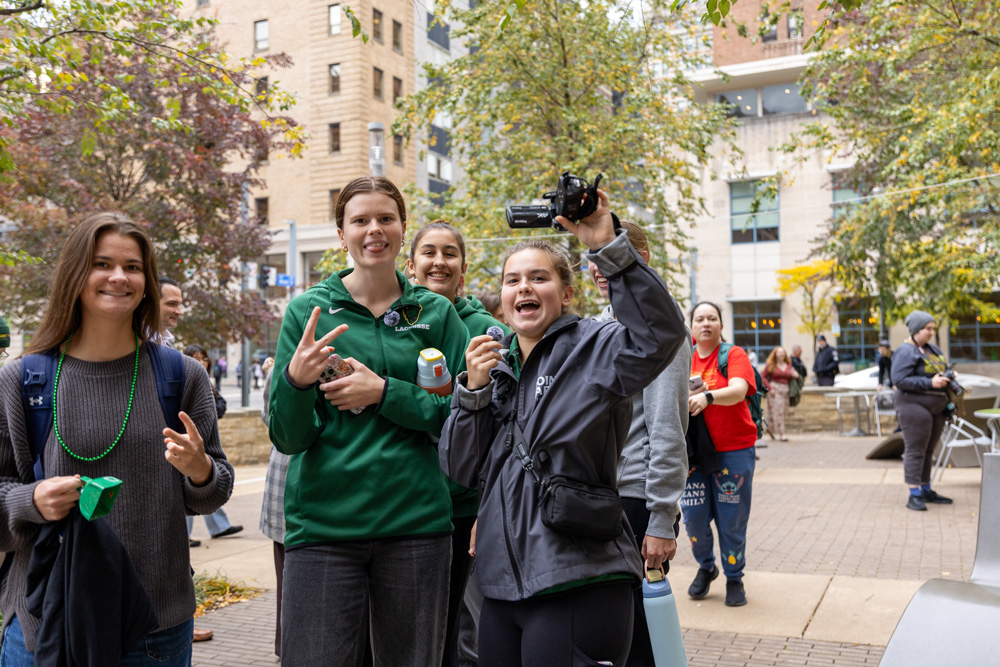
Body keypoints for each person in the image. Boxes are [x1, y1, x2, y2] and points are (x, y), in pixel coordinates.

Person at [439, 190, 686, 667]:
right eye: (513, 280)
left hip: (579, 578)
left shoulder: (595, 345)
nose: (523, 288)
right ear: (504, 299)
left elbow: (661, 335)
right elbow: (460, 469)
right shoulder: (496, 365)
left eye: (539, 278)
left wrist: (607, 245)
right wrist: (470, 392)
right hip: (500, 585)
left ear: (567, 293)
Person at [0, 212, 234, 665]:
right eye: (101, 263)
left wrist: (201, 471)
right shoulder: (22, 380)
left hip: (154, 626)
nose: (118, 277)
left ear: (146, 281)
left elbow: (213, 492)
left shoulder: (180, 375)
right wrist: (32, 500)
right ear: (75, 274)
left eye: (132, 266)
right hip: (46, 617)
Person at [268, 176, 470, 667]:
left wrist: (384, 392)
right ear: (342, 234)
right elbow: (289, 436)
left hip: (417, 526)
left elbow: (464, 421)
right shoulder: (307, 311)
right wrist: (296, 382)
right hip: (324, 531)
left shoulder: (437, 313)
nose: (373, 229)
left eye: (386, 218)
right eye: (360, 220)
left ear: (403, 229)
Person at [406, 220, 508, 667]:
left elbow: (503, 420)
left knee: (457, 630)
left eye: (450, 253)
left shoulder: (484, 329)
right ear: (411, 266)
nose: (439, 262)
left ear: (463, 269)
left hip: (462, 506)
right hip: (402, 503)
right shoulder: (395, 320)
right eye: (429, 252)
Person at [589, 219, 690, 667]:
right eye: (593, 259)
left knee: (640, 638)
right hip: (597, 497)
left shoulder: (659, 333)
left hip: (636, 501)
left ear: (640, 261)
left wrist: (661, 518)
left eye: (608, 257)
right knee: (608, 629)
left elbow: (668, 428)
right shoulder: (598, 327)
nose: (598, 268)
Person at [155, 282, 242, 552]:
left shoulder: (183, 369)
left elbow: (215, 480)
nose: (179, 311)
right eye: (172, 304)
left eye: (180, 304)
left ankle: (212, 528)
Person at [682, 301, 758, 607]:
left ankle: (734, 577)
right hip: (693, 454)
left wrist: (708, 396)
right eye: (699, 318)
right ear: (691, 326)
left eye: (712, 318)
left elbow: (739, 389)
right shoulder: (680, 356)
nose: (705, 323)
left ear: (721, 325)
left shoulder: (732, 355)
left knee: (731, 520)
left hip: (733, 450)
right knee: (694, 518)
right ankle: (706, 567)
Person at [890, 311, 953, 511]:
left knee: (928, 451)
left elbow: (939, 368)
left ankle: (926, 489)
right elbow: (898, 380)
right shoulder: (906, 350)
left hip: (937, 408)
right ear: (916, 329)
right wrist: (930, 382)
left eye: (933, 328)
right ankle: (914, 493)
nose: (931, 332)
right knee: (915, 450)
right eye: (928, 329)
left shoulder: (930, 349)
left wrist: (947, 375)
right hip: (913, 406)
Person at [762, 346, 799, 442]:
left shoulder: (788, 365)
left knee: (775, 412)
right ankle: (782, 434)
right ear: (775, 354)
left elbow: (795, 376)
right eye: (779, 352)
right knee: (778, 413)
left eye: (783, 352)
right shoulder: (770, 365)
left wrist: (795, 376)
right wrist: (770, 388)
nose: (781, 354)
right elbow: (763, 377)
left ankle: (769, 428)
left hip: (785, 391)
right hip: (774, 391)